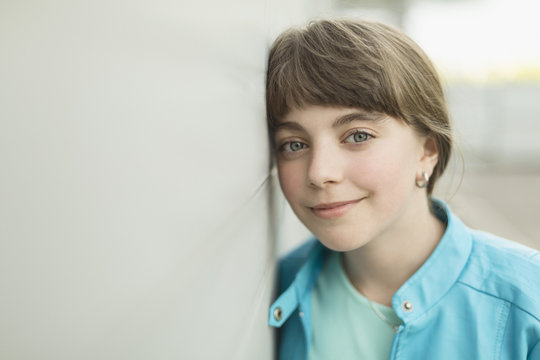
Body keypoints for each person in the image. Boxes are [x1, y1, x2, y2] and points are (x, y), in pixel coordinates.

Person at [266, 19, 540, 360]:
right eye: (294, 144)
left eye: (358, 136)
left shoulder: (530, 300)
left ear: (427, 151)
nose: (320, 173)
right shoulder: (275, 287)